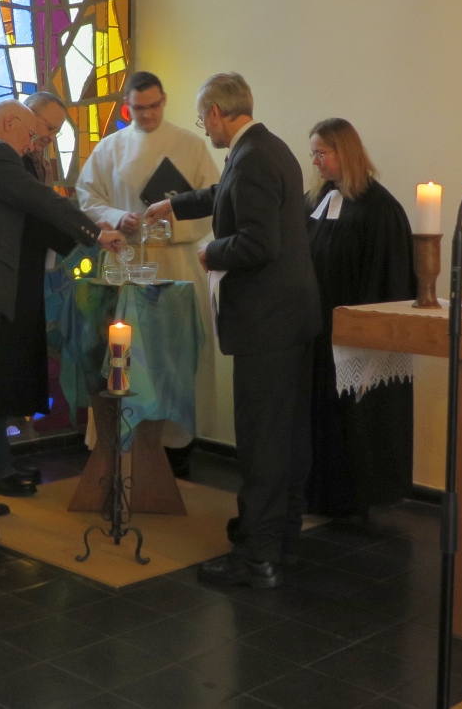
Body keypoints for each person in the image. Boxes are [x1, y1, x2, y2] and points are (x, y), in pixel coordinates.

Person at [0, 100, 125, 544]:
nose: (31, 145)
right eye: (30, 135)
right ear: (9, 123)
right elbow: (39, 200)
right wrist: (95, 233)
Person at [146, 73, 320, 588]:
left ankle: (256, 557)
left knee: (263, 441)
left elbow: (258, 243)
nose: (206, 128)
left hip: (268, 324)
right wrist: (174, 205)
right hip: (290, 318)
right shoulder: (266, 148)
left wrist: (210, 252)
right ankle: (279, 539)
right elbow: (224, 194)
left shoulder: (253, 158)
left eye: (205, 119)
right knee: (287, 436)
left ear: (218, 113)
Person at [76, 71, 220, 476]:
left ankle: (176, 447)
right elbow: (88, 196)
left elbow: (217, 201)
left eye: (154, 106)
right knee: (124, 357)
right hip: (125, 263)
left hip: (176, 263)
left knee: (173, 357)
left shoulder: (190, 146)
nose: (148, 114)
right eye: (139, 108)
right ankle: (119, 446)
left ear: (164, 100)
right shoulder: (110, 148)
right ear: (128, 107)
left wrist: (170, 222)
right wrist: (117, 216)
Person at [304, 118, 417, 518]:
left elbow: (389, 276)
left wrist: (365, 331)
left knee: (352, 419)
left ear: (345, 152)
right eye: (313, 154)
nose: (315, 161)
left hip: (353, 332)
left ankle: (352, 499)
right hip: (317, 329)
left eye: (322, 153)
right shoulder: (316, 200)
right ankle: (318, 493)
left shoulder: (380, 209)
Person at [0, 91, 80, 498]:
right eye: (47, 128)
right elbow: (35, 212)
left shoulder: (30, 157)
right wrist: (87, 233)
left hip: (24, 278)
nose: (48, 138)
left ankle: (1, 459)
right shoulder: (3, 155)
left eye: (55, 132)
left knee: (12, 374)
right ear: (23, 119)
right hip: (2, 279)